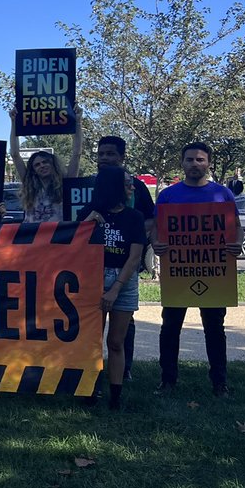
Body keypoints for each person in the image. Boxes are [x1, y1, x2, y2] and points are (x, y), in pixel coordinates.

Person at [152, 142, 241, 397]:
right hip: (178, 272)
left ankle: (219, 382)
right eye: (189, 159)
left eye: (200, 159)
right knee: (170, 327)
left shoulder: (222, 194)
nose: (194, 164)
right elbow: (156, 227)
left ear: (208, 163)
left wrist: (237, 244)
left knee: (215, 328)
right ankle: (168, 380)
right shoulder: (168, 195)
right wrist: (156, 243)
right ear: (182, 163)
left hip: (214, 272)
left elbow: (237, 226)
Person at [81, 167, 145, 410]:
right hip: (92, 280)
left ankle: (115, 395)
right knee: (92, 341)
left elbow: (135, 257)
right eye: (127, 183)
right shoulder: (89, 213)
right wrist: (86, 224)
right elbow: (72, 248)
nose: (132, 187)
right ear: (113, 186)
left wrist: (115, 289)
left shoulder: (134, 217)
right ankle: (91, 388)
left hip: (123, 282)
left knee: (116, 341)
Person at [96, 135, 157, 381]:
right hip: (95, 271)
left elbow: (151, 219)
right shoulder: (91, 184)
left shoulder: (137, 187)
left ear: (122, 157)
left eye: (110, 154)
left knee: (123, 327)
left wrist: (132, 233)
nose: (104, 158)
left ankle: (124, 369)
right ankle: (93, 378)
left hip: (125, 267)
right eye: (101, 154)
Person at [7, 111, 82, 222]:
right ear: (33, 170)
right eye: (37, 165)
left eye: (45, 162)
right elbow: (15, 154)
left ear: (52, 164)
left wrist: (77, 122)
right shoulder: (29, 184)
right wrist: (14, 122)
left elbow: (76, 154)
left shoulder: (66, 183)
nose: (42, 166)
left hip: (58, 232)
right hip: (31, 232)